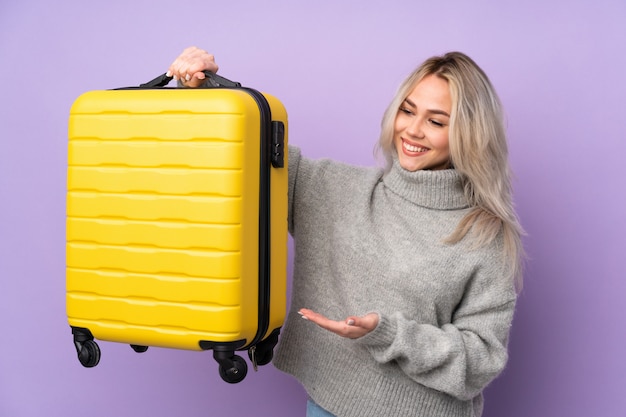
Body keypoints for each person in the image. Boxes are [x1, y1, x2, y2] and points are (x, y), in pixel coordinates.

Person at [167, 46, 525, 417]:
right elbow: (249, 157)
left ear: (470, 133)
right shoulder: (335, 189)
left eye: (436, 121)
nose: (413, 130)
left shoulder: (485, 233)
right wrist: (204, 91)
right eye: (407, 110)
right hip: (328, 406)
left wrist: (389, 334)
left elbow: (481, 359)